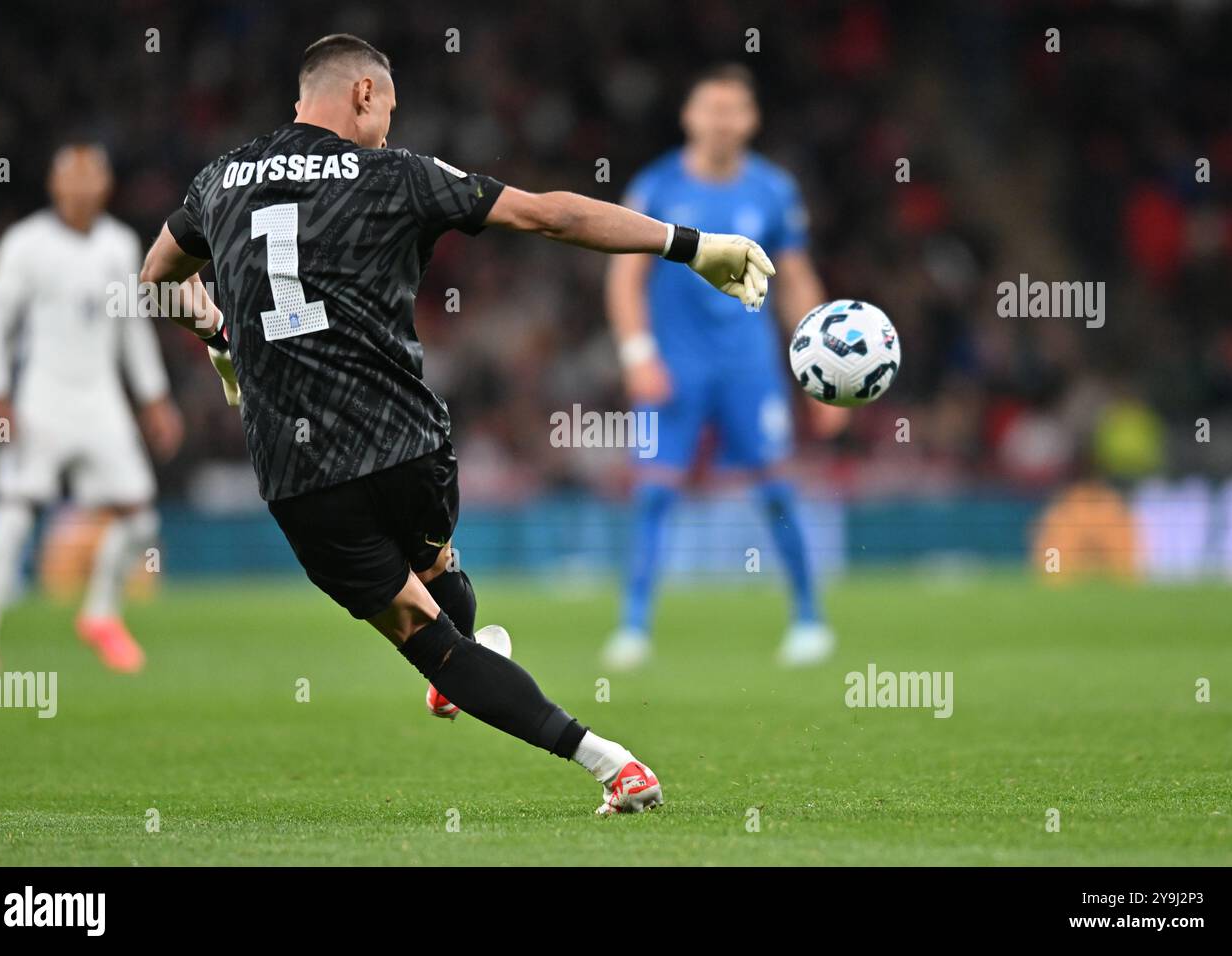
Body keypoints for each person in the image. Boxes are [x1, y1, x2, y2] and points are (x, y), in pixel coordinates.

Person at [139, 34, 774, 814]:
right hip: (408, 445)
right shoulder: (398, 173)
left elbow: (156, 280)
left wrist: (217, 335)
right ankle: (465, 672)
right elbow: (551, 216)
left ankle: (608, 761)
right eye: (389, 110)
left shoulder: (217, 181)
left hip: (299, 477)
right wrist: (693, 245)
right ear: (365, 94)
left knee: (426, 636)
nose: (389, 127)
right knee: (437, 582)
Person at [602, 64, 844, 670]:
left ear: (751, 119)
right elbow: (624, 277)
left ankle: (810, 620)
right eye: (710, 107)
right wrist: (638, 354)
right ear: (689, 116)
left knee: (777, 488)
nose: (721, 120)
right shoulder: (655, 187)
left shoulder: (773, 191)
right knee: (656, 494)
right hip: (673, 366)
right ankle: (634, 628)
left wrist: (821, 369)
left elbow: (794, 281)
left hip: (748, 365)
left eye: (733, 109)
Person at [0, 144, 183, 676]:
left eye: (92, 177)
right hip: (42, 401)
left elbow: (131, 329)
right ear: (55, 186)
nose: (82, 187)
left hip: (101, 400)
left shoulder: (118, 244)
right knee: (14, 511)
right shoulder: (26, 244)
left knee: (140, 515)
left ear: (105, 186)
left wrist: (154, 400)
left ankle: (100, 615)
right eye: (72, 178)